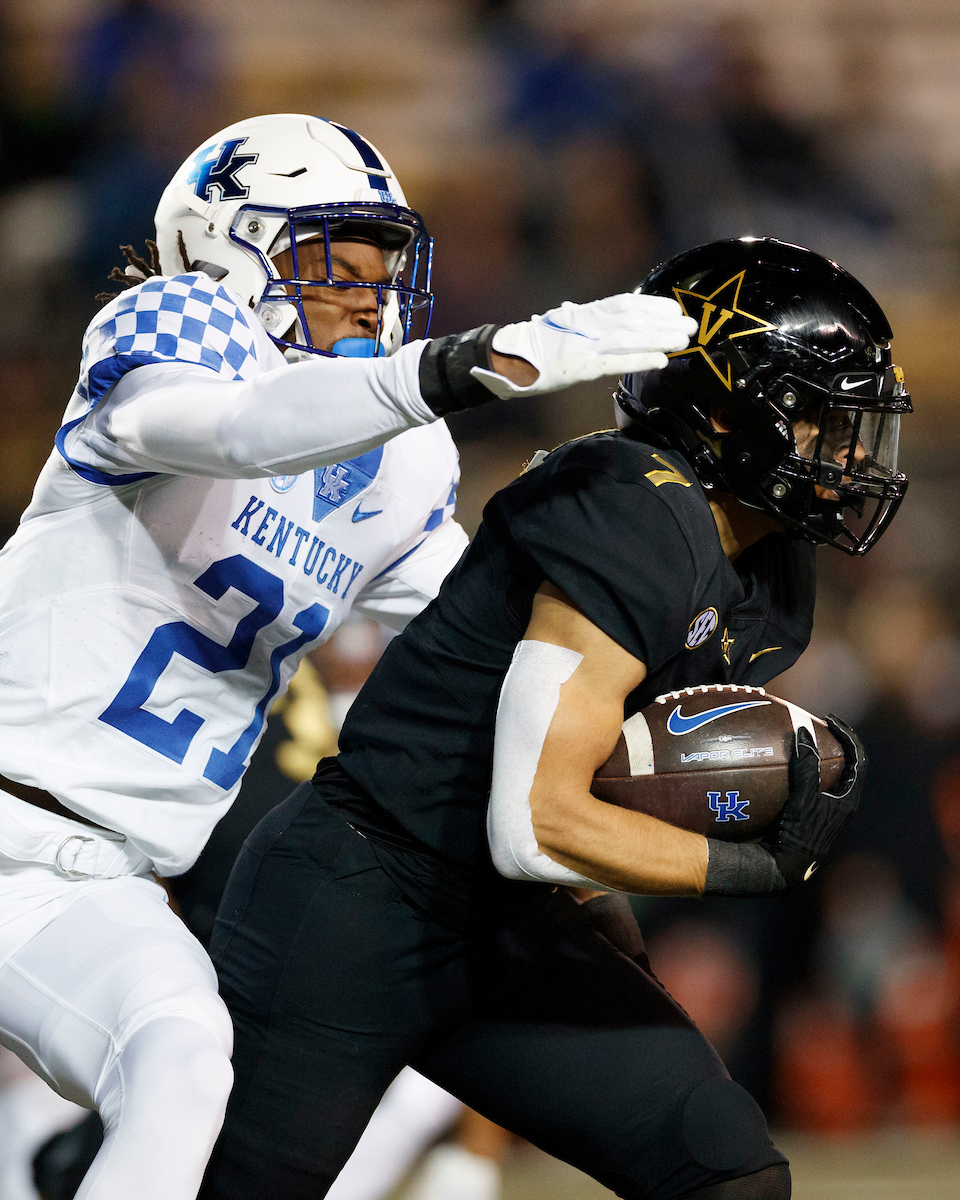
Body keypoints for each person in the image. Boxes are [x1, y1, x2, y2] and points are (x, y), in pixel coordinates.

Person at [0, 110, 697, 1200]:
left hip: (109, 879)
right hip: (9, 812)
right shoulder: (174, 323)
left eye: (382, 269)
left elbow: (479, 641)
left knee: (186, 1062)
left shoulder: (402, 460)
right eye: (332, 261)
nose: (367, 294)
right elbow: (239, 429)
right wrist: (461, 368)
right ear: (228, 249)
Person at [200, 237, 912, 1200]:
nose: (846, 449)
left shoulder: (762, 560)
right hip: (352, 906)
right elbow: (537, 821)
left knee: (724, 1169)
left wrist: (604, 911)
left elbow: (610, 760)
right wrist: (750, 865)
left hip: (504, 925)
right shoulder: (631, 510)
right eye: (822, 417)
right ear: (730, 406)